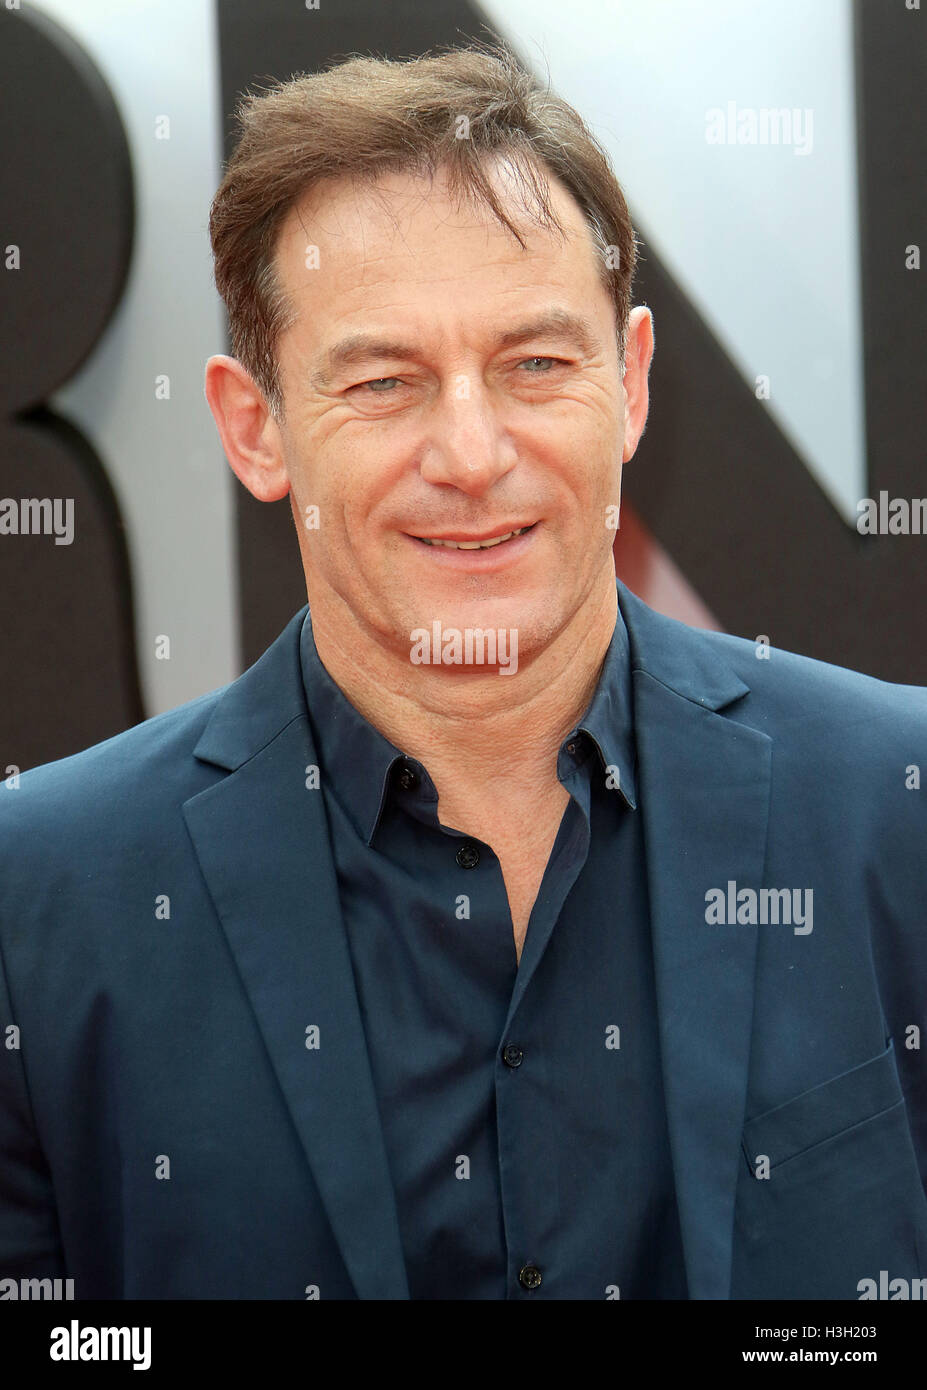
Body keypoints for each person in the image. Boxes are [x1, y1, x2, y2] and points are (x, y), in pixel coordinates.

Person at [1, 42, 925, 1302]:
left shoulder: (897, 811)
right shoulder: (38, 897)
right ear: (254, 427)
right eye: (384, 384)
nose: (473, 453)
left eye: (536, 364)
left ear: (632, 383)